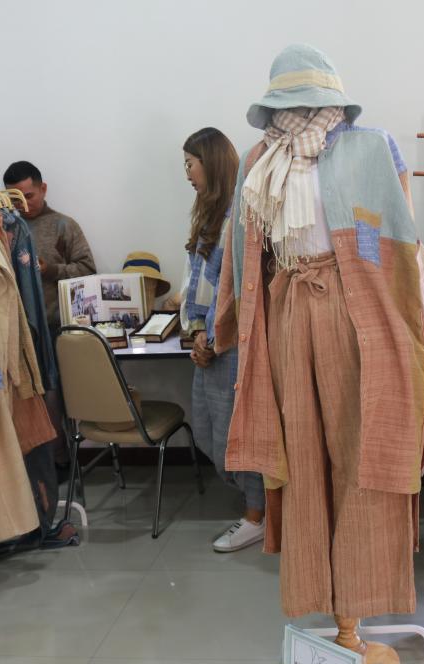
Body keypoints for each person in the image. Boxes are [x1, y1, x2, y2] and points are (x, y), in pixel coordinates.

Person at [180, 128, 266, 552]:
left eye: (190, 164)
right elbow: (200, 285)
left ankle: (256, 516)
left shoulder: (242, 212)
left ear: (210, 164)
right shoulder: (210, 215)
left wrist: (214, 337)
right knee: (209, 431)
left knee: (240, 431)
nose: (187, 174)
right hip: (211, 341)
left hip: (234, 344)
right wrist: (198, 331)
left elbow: (239, 287)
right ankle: (257, 509)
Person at [3, 161, 96, 331]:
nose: (23, 204)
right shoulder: (4, 228)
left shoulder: (64, 225)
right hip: (18, 327)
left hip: (59, 327)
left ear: (43, 189)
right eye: (15, 199)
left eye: (28, 196)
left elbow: (88, 271)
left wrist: (50, 270)